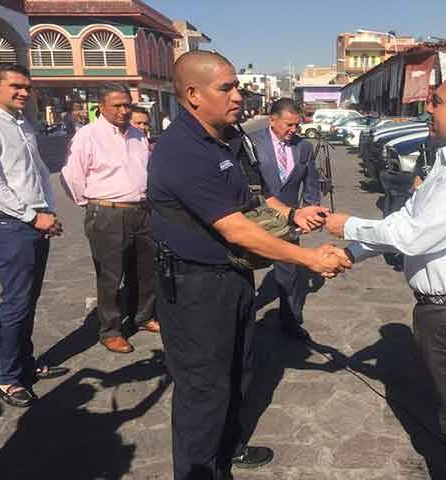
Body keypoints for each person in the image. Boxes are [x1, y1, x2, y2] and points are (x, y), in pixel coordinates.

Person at [147, 50, 351, 480]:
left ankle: (229, 450)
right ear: (193, 94)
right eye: (226, 88)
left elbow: (253, 199)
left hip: (232, 277)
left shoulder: (227, 138)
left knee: (239, 371)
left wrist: (291, 214)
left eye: (237, 86)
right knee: (204, 390)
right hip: (195, 287)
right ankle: (201, 471)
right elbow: (237, 228)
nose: (238, 96)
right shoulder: (182, 150)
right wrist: (308, 257)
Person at [326, 65, 446, 480]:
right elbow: (409, 220)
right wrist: (350, 253)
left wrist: (347, 225)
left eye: (437, 101)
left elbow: (414, 236)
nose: (428, 108)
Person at [0, 62, 66, 408]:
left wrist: (47, 210)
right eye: (16, 86)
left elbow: (37, 172)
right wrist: (33, 216)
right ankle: (6, 378)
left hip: (33, 221)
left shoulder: (21, 123)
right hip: (7, 225)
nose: (24, 92)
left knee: (28, 300)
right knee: (16, 303)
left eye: (27, 87)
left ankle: (24, 363)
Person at [60, 83, 159, 354]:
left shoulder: (138, 135)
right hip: (107, 213)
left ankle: (143, 316)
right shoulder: (88, 136)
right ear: (101, 107)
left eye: (127, 105)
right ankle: (111, 330)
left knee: (146, 269)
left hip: (142, 211)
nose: (123, 110)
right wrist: (93, 204)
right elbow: (72, 175)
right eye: (117, 105)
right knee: (110, 275)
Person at [249, 98, 320, 339]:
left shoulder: (304, 147)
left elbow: (311, 183)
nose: (294, 130)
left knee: (289, 273)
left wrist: (310, 210)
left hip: (290, 219)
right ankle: (243, 321)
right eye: (289, 124)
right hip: (254, 218)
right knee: (244, 271)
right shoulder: (251, 143)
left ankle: (290, 320)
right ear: (272, 120)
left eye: (297, 125)